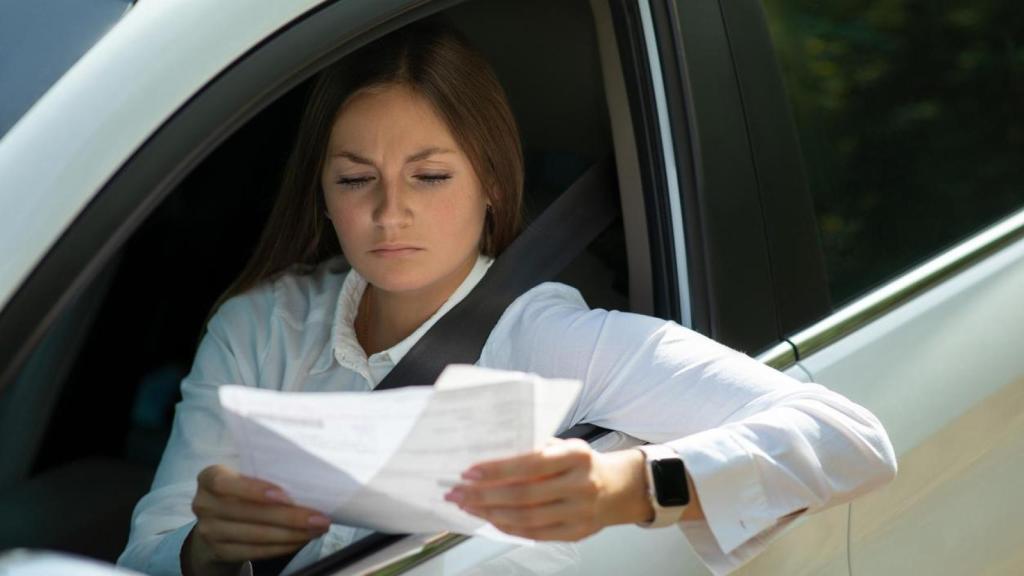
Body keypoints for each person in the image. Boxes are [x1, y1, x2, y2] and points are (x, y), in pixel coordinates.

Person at [118, 22, 897, 576]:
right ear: (322, 193)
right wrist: (208, 549)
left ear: (491, 184)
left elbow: (848, 437)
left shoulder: (550, 339)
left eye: (430, 176)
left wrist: (623, 488)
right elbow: (152, 545)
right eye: (357, 180)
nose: (391, 212)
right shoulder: (260, 326)